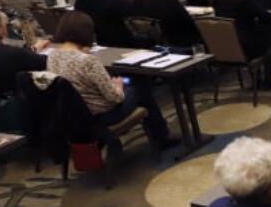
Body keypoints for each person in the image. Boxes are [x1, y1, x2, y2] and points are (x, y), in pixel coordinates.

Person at [45, 12, 176, 149]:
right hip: (103, 114)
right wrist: (118, 85)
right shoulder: (88, 60)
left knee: (130, 85)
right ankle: (162, 137)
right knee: (140, 87)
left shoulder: (53, 56)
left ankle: (160, 136)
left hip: (75, 116)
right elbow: (115, 98)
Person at [212, 0, 271, 88]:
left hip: (227, 46)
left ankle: (256, 79)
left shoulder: (217, 0)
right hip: (246, 45)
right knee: (270, 39)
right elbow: (264, 16)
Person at [129, 0, 202, 49]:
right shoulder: (169, 2)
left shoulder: (135, 3)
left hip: (148, 48)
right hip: (178, 48)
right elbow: (190, 25)